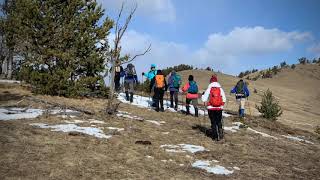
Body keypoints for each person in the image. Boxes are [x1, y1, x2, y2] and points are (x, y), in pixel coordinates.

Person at [202, 75, 226, 141]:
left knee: (213, 122)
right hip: (219, 108)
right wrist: (221, 105)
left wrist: (203, 95)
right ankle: (220, 132)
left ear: (210, 81)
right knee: (218, 121)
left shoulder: (209, 89)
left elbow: (204, 99)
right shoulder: (220, 89)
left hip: (211, 108)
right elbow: (224, 99)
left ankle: (215, 137)